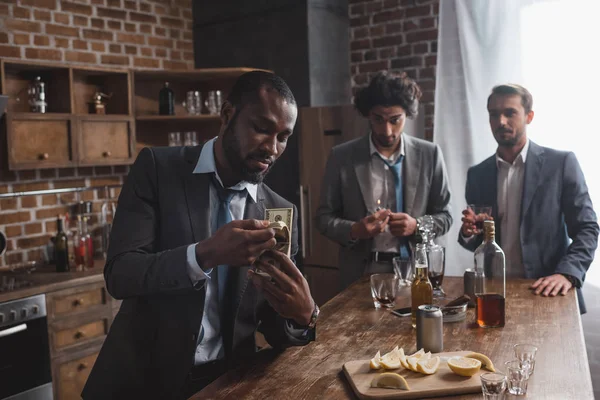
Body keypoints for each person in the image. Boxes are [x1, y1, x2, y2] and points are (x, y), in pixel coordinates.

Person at [82, 71, 319, 400]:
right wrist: (204, 254)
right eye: (262, 128)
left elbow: (275, 328)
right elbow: (121, 275)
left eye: (283, 136)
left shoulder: (278, 211)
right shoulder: (157, 168)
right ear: (227, 114)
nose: (273, 148)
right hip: (143, 383)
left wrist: (304, 315)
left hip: (228, 383)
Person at [458, 83, 599, 313]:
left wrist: (567, 273)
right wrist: (469, 231)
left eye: (510, 113)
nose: (501, 121)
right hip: (493, 295)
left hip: (547, 292)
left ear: (529, 116)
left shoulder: (561, 164)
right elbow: (479, 242)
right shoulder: (477, 174)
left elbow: (587, 228)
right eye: (494, 114)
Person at [315, 71, 452, 290]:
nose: (386, 131)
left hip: (418, 271)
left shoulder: (430, 155)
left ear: (407, 115)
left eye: (395, 120)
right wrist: (355, 230)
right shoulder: (342, 157)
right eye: (378, 119)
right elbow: (323, 218)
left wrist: (416, 225)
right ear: (368, 115)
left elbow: (446, 215)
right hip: (362, 272)